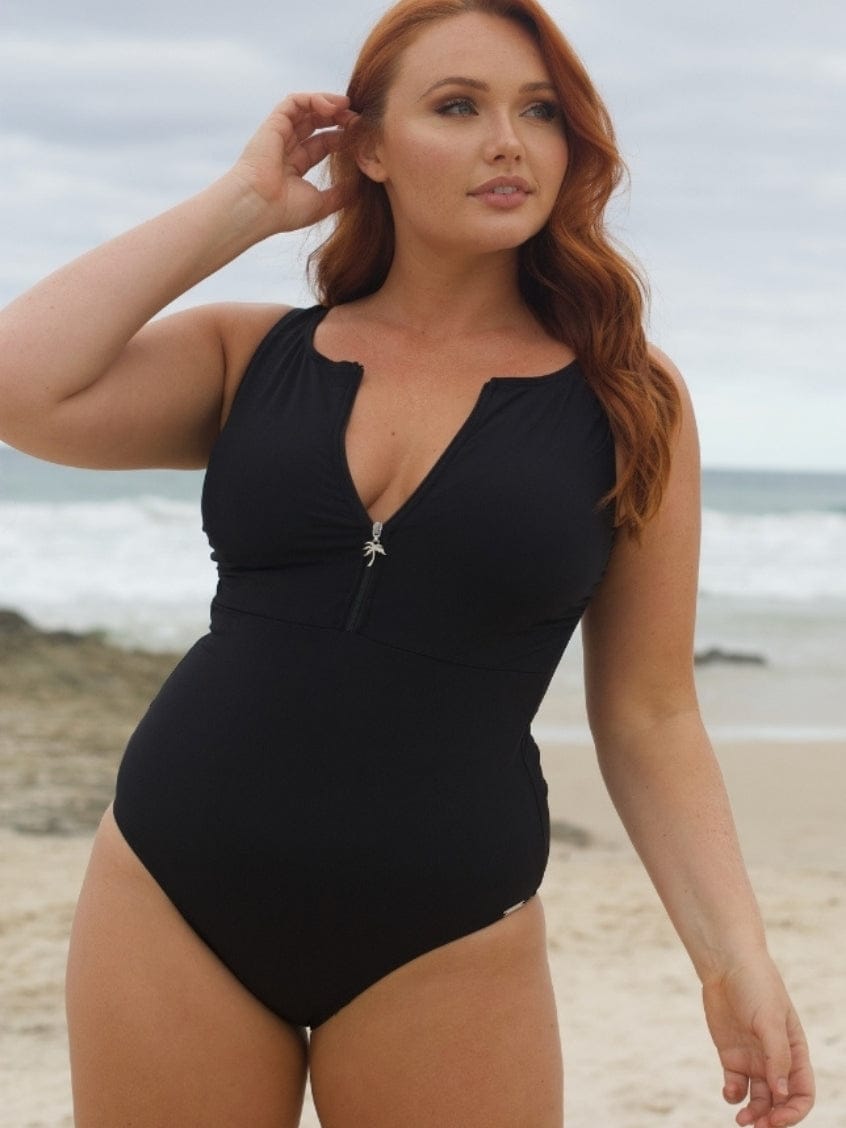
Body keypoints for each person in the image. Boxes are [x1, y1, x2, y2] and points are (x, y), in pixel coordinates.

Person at [0, 1, 815, 1125]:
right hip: (173, 885)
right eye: (457, 107)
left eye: (540, 111)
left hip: (445, 925)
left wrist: (735, 959)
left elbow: (650, 713)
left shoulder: (629, 399)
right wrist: (244, 204)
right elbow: (18, 385)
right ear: (368, 149)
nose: (508, 141)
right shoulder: (252, 356)